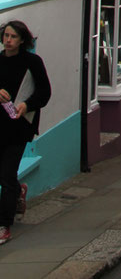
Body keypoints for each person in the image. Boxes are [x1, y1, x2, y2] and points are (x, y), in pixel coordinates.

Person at [0, 20, 51, 246]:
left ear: (22, 40)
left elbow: (45, 92)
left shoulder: (32, 62)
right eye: (5, 36)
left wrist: (26, 105)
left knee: (6, 175)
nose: (8, 40)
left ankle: (4, 225)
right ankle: (19, 191)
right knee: (5, 176)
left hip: (19, 128)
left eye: (12, 36)